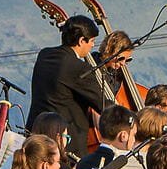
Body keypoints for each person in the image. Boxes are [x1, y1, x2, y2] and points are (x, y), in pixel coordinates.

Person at [28, 15, 111, 156]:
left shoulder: (44, 55)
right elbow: (102, 104)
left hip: (36, 134)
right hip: (67, 144)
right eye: (91, 41)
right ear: (81, 41)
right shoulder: (79, 68)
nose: (92, 45)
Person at [74, 105, 137, 169]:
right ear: (123, 136)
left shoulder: (82, 162)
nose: (134, 140)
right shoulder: (124, 166)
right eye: (133, 135)